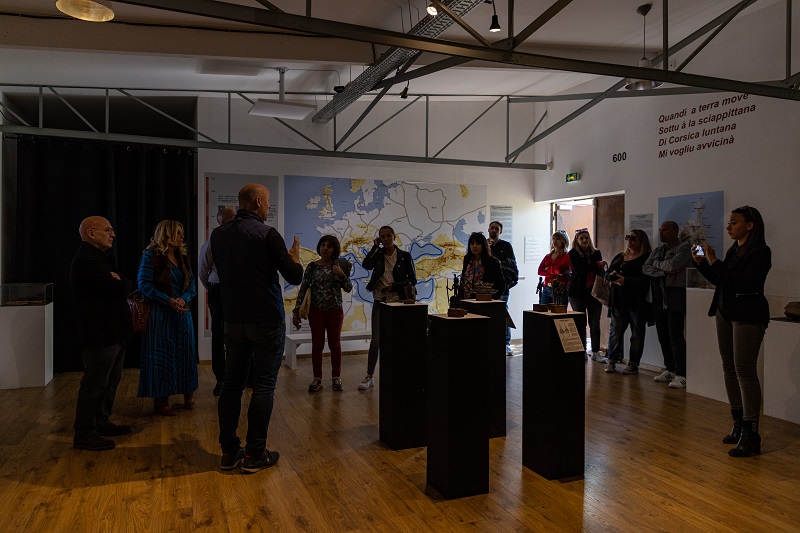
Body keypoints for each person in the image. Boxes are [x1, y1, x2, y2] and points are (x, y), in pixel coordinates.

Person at [211, 183, 303, 473]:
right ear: (258, 202)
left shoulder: (218, 234)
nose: (268, 207)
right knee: (263, 385)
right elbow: (294, 276)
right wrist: (295, 257)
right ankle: (255, 454)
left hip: (233, 320)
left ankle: (229, 453)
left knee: (231, 386)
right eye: (268, 202)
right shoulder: (267, 234)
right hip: (266, 321)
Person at [693, 206, 771, 457]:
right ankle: (737, 424)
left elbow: (745, 284)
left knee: (745, 371)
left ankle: (751, 432)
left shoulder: (761, 252)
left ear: (750, 225)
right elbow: (723, 280)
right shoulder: (734, 250)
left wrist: (715, 262)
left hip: (748, 315)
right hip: (725, 312)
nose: (728, 227)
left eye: (734, 222)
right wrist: (703, 265)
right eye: (729, 222)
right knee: (729, 368)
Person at [70, 216, 133, 451]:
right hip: (100, 334)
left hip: (113, 332)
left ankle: (102, 421)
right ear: (91, 233)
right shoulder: (86, 261)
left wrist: (121, 281)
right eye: (107, 230)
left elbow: (125, 284)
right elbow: (118, 288)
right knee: (95, 384)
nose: (112, 234)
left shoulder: (100, 259)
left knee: (110, 381)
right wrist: (121, 282)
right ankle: (84, 433)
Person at [137, 219, 198, 416]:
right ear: (167, 233)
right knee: (162, 355)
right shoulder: (151, 255)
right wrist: (168, 300)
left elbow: (192, 285)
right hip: (160, 314)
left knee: (186, 354)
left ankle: (188, 394)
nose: (182, 236)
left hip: (182, 314)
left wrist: (183, 299)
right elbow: (144, 285)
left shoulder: (182, 256)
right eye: (178, 232)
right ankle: (161, 400)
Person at [358, 225, 417, 391]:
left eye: (388, 236)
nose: (386, 239)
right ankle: (369, 376)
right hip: (380, 300)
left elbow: (412, 279)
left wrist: (395, 286)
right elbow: (366, 265)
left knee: (398, 339)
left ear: (394, 236)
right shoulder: (378, 255)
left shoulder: (404, 256)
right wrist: (374, 247)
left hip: (398, 302)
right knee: (376, 340)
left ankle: (400, 375)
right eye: (382, 237)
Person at [292, 235, 353, 393]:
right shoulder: (312, 267)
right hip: (316, 311)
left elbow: (348, 288)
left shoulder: (339, 265)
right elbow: (303, 289)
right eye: (323, 245)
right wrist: (296, 311)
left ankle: (336, 378)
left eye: (329, 246)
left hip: (335, 311)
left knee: (335, 345)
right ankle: (317, 379)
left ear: (335, 249)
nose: (325, 248)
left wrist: (342, 274)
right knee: (317, 345)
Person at [643, 221, 692, 389]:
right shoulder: (658, 250)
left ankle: (682, 373)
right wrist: (663, 271)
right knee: (662, 335)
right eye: (660, 229)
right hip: (658, 296)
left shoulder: (685, 248)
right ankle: (670, 368)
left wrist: (657, 266)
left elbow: (673, 264)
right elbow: (645, 268)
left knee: (675, 336)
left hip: (675, 296)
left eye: (665, 229)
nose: (661, 232)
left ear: (675, 231)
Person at [199, 206, 237, 397]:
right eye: (227, 221)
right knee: (219, 334)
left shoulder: (241, 240)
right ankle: (221, 378)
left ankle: (241, 376)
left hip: (235, 290)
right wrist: (214, 287)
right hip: (219, 290)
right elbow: (203, 270)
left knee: (240, 333)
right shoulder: (212, 242)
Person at [604, 229, 652, 375]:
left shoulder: (646, 257)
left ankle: (633, 364)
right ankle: (611, 361)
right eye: (628, 237)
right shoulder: (620, 256)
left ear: (641, 241)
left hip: (636, 301)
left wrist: (626, 281)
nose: (629, 241)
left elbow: (647, 279)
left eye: (633, 238)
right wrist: (610, 275)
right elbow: (608, 271)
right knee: (615, 332)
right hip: (618, 300)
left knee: (636, 334)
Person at [567, 228, 606, 363]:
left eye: (586, 238)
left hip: (594, 293)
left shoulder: (596, 253)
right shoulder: (572, 253)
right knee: (580, 323)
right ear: (577, 241)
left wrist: (602, 272)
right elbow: (579, 269)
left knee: (595, 323)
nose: (584, 240)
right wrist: (597, 265)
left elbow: (599, 271)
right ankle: (581, 350)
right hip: (577, 293)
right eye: (581, 238)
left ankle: (595, 352)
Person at [487, 220, 518, 355]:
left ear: (500, 231)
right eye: (492, 228)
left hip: (502, 286)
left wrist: (497, 259)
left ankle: (506, 343)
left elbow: (512, 264)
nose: (494, 230)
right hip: (486, 287)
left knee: (503, 313)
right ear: (488, 230)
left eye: (496, 228)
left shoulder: (506, 246)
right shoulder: (483, 245)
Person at [461, 231, 506, 299]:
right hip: (467, 300)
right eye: (472, 243)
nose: (474, 246)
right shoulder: (467, 259)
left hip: (486, 301)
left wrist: (491, 299)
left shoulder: (492, 262)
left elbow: (501, 286)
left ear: (484, 245)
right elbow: (463, 281)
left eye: (478, 243)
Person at [538, 231, 571, 305]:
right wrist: (553, 271)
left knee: (559, 310)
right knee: (543, 310)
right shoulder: (548, 256)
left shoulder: (566, 255)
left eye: (558, 239)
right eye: (554, 238)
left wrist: (548, 269)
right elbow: (540, 271)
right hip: (547, 287)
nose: (555, 241)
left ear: (563, 241)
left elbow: (559, 270)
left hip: (560, 288)